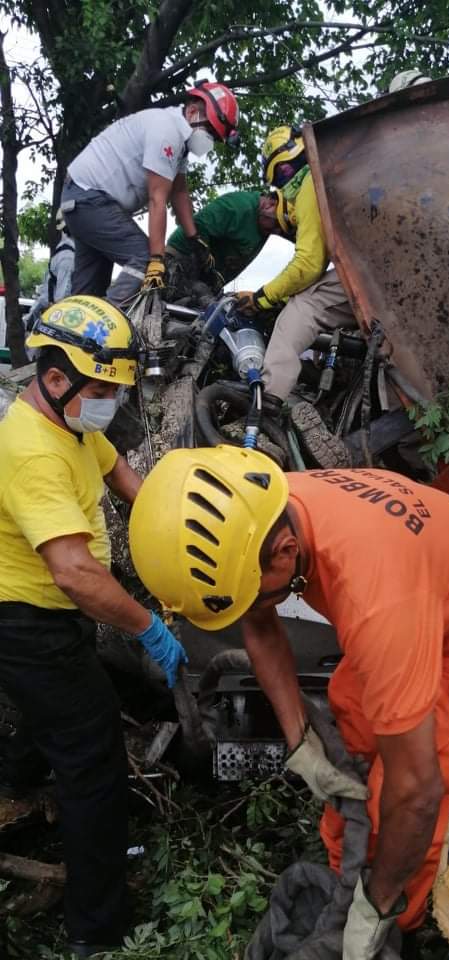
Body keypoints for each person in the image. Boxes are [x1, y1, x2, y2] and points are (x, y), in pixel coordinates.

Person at [129, 445, 449, 959]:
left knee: (408, 786)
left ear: (284, 552)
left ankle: (396, 923)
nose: (252, 608)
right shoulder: (266, 510)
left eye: (253, 595)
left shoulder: (378, 600)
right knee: (355, 749)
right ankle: (348, 870)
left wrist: (378, 904)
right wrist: (300, 741)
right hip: (426, 599)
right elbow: (258, 620)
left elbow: (415, 790)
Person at [0, 296, 187, 958]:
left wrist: (178, 521)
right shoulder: (31, 451)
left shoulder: (75, 424)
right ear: (55, 378)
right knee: (94, 760)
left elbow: (123, 475)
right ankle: (97, 929)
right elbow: (75, 574)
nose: (109, 399)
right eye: (102, 386)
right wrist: (150, 631)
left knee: (42, 718)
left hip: (50, 622)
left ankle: (15, 792)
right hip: (28, 624)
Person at [60, 81, 240, 308]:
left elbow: (180, 192)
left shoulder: (178, 143)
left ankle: (65, 335)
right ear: (193, 111)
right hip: (90, 198)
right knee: (144, 257)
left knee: (88, 292)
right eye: (211, 132)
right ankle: (106, 325)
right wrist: (156, 259)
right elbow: (158, 199)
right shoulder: (167, 131)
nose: (210, 141)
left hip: (82, 200)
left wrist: (195, 240)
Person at [234, 125, 358, 406]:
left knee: (303, 308)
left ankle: (267, 405)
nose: (284, 182)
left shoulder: (310, 184)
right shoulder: (342, 169)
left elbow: (309, 264)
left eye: (282, 174)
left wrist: (263, 297)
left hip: (371, 273)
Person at [164, 190, 286, 301]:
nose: (276, 232)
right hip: (181, 257)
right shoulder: (238, 207)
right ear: (271, 204)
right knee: (200, 298)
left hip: (209, 278)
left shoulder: (267, 222)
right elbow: (198, 225)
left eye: (283, 230)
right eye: (277, 224)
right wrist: (205, 260)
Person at [25, 210, 75, 331]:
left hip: (44, 316)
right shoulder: (68, 257)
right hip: (51, 320)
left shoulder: (64, 251)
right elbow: (61, 299)